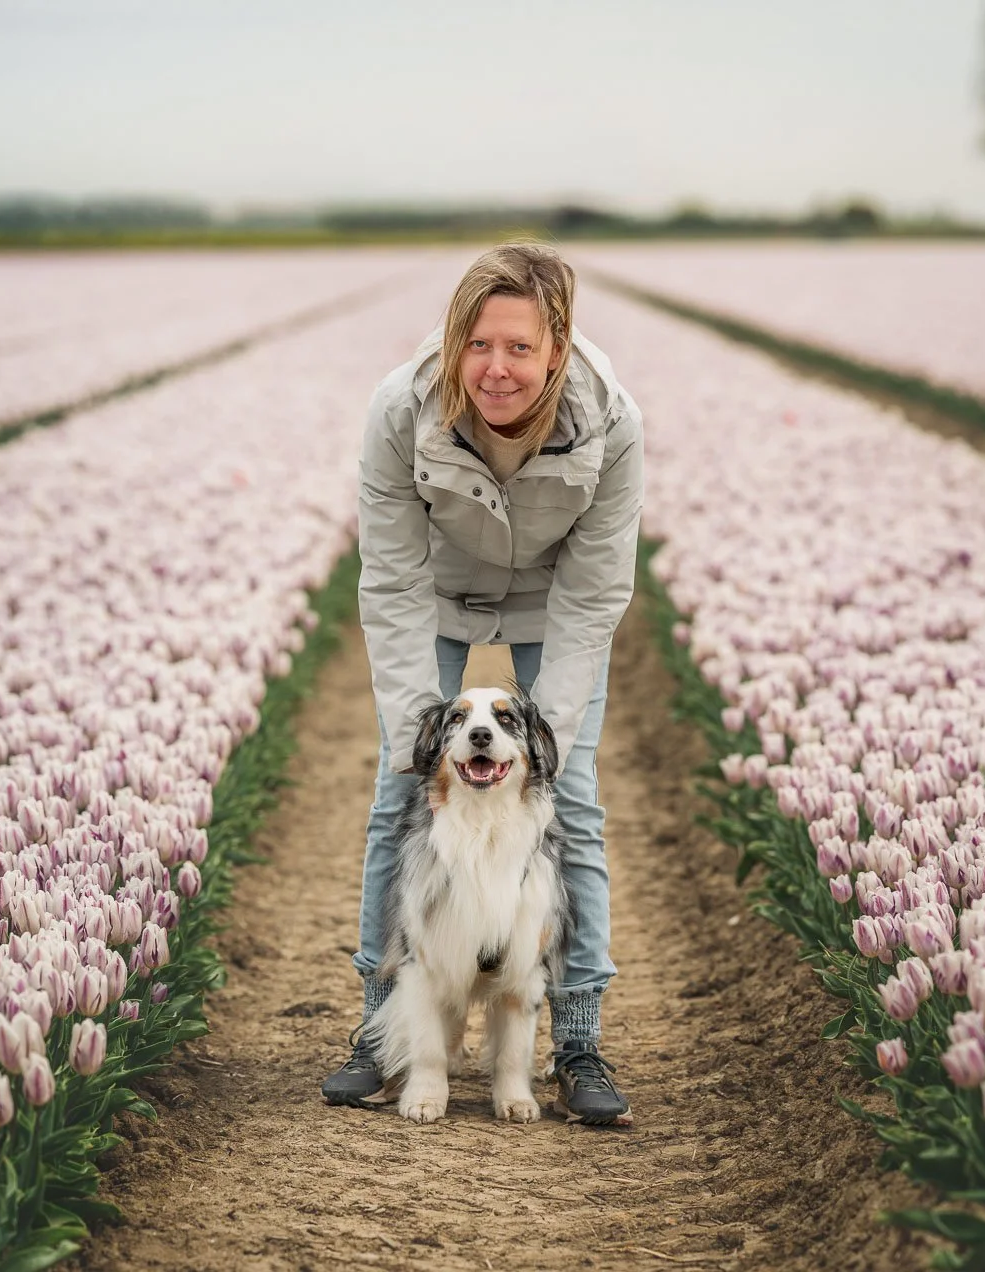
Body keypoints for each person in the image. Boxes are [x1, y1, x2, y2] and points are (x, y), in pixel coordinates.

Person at [321, 240, 643, 1125]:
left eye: (521, 348)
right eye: (479, 344)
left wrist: (547, 742)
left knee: (571, 796)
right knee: (399, 796)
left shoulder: (611, 424)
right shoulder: (400, 412)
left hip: (551, 605)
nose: (496, 369)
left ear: (559, 349)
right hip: (435, 594)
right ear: (456, 339)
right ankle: (380, 1028)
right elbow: (388, 582)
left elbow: (595, 595)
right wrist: (414, 733)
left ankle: (577, 1038)